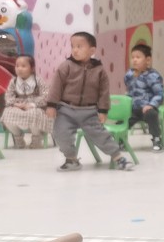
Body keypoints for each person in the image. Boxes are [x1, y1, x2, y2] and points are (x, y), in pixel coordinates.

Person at [45, 31, 133, 171]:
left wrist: (103, 110)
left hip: (89, 112)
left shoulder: (99, 70)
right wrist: (51, 105)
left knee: (101, 135)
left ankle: (118, 157)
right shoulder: (66, 66)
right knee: (61, 134)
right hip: (66, 110)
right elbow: (56, 86)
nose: (75, 50)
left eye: (79, 46)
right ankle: (71, 159)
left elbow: (103, 92)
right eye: (73, 46)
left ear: (92, 50)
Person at [0, 55, 53, 149]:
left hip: (36, 107)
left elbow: (45, 95)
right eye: (17, 66)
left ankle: (36, 139)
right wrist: (16, 104)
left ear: (32, 68)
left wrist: (32, 104)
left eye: (23, 66)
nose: (19, 69)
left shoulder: (38, 81)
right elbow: (8, 96)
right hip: (18, 106)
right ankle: (18, 138)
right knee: (7, 113)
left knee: (34, 114)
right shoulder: (14, 81)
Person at [123, 43, 164, 151]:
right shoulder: (129, 74)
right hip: (133, 108)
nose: (134, 60)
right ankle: (120, 140)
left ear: (148, 60)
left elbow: (159, 94)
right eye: (132, 57)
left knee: (152, 115)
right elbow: (129, 89)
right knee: (122, 119)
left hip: (146, 108)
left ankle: (156, 138)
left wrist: (151, 105)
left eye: (138, 57)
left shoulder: (153, 75)